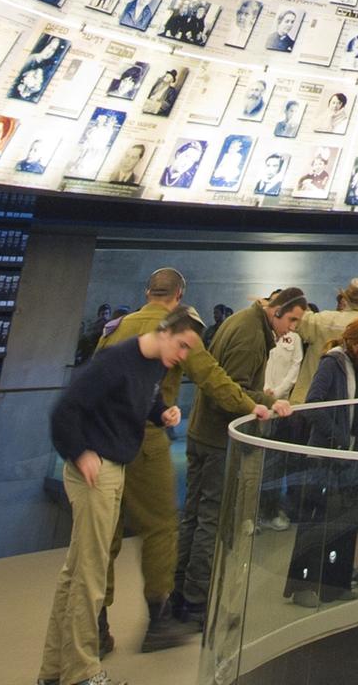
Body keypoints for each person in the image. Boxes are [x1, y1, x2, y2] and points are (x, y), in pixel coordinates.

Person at [98, 268, 286, 653]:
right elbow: (212, 379)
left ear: (148, 291)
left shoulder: (117, 327)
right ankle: (158, 622)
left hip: (103, 438)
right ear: (180, 294)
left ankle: (97, 625)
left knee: (106, 536)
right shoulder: (176, 328)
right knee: (161, 528)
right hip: (143, 439)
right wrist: (254, 404)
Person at [40, 303, 205, 685]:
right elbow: (64, 411)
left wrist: (160, 413)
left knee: (75, 573)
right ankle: (81, 672)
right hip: (95, 473)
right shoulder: (115, 360)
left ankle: (53, 670)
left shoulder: (152, 364)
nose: (182, 357)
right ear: (165, 332)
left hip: (115, 468)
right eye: (181, 346)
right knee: (90, 574)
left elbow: (140, 401)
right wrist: (80, 452)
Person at [173, 286, 307, 627]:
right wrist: (263, 401)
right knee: (211, 518)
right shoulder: (250, 335)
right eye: (292, 320)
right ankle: (196, 601)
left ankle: (180, 593)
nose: (292, 328)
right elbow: (231, 389)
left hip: (203, 433)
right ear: (277, 311)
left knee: (194, 516)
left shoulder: (245, 323)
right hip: (217, 438)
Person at [285, 315, 358, 607]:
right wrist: (339, 437)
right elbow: (313, 404)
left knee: (345, 523)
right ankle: (303, 586)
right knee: (315, 523)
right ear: (353, 342)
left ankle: (335, 584)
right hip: (326, 456)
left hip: (351, 456)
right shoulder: (332, 362)